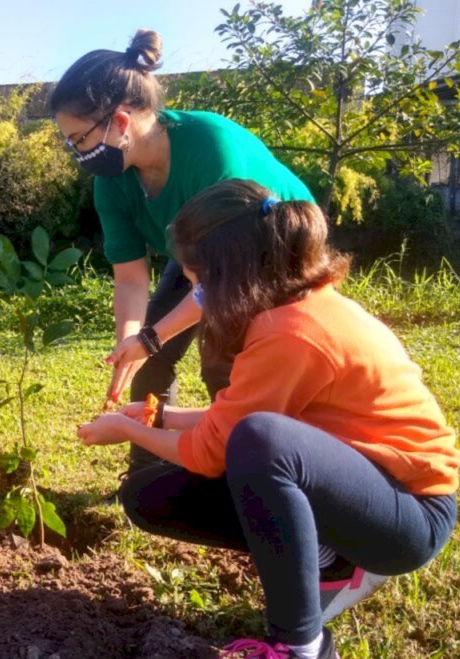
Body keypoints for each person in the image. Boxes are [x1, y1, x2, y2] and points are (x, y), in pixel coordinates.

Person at [77, 180, 460, 659]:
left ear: (229, 274)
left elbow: (218, 450)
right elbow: (227, 422)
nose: (192, 290)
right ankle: (332, 560)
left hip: (408, 513)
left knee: (261, 444)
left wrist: (128, 429)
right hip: (360, 485)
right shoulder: (283, 309)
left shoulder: (293, 332)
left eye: (196, 278)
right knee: (151, 494)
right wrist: (153, 417)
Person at [50, 29, 313, 470]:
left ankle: (250, 467)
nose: (77, 153)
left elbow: (226, 277)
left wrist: (151, 338)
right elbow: (131, 278)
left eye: (78, 140)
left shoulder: (211, 149)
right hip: (202, 260)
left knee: (224, 364)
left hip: (274, 248)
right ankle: (150, 473)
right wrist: (129, 345)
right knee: (151, 362)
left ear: (119, 121)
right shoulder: (112, 184)